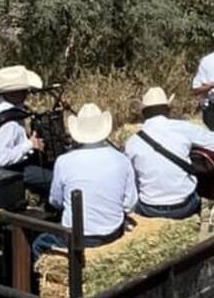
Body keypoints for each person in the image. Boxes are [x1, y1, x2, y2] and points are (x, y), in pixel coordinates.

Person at [31, 104, 136, 262]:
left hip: (75, 237)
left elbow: (55, 201)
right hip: (111, 234)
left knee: (38, 244)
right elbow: (130, 204)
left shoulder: (64, 161)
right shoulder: (122, 159)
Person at [125, 87, 214, 220]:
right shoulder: (183, 128)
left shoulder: (132, 143)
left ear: (143, 113)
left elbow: (131, 182)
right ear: (168, 110)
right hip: (183, 206)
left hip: (149, 208)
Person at [0, 65, 52, 198]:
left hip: (16, 162)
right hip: (7, 170)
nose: (27, 93)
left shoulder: (0, 102)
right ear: (12, 92)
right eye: (23, 90)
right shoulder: (9, 123)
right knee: (54, 179)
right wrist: (30, 144)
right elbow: (2, 159)